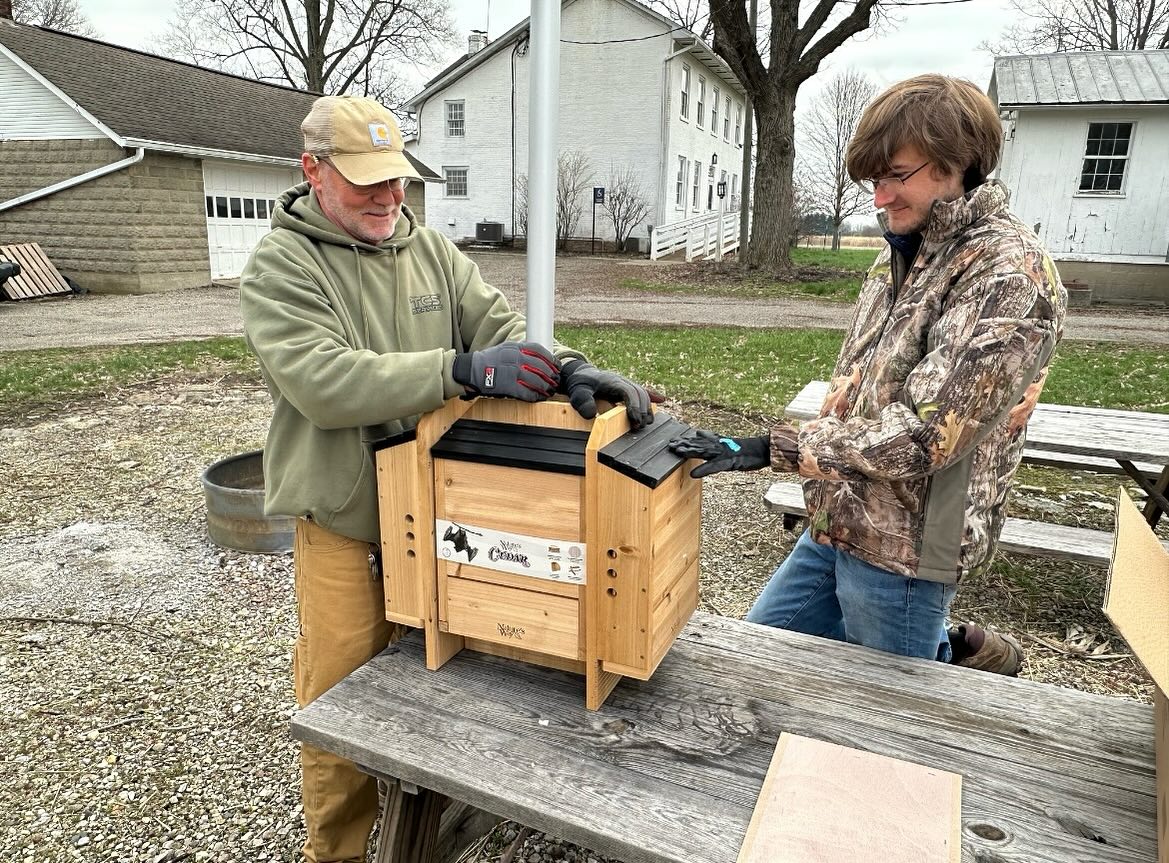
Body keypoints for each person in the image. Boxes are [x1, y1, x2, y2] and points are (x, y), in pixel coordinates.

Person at [240, 95, 654, 863]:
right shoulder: (280, 265)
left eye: (395, 178)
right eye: (367, 182)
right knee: (341, 702)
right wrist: (454, 370)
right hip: (348, 518)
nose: (388, 197)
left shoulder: (427, 249)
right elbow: (322, 381)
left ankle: (427, 837)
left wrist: (568, 368)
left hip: (437, 517)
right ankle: (334, 850)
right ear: (312, 171)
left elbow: (496, 326)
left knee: (445, 681)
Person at [670, 75, 1066, 675]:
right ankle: (953, 650)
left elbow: (927, 435)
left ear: (956, 162)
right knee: (756, 659)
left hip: (908, 545)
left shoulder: (1008, 275)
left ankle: (956, 663)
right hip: (839, 515)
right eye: (874, 180)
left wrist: (774, 445)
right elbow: (865, 386)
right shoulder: (904, 246)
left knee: (896, 708)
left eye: (895, 177)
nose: (879, 197)